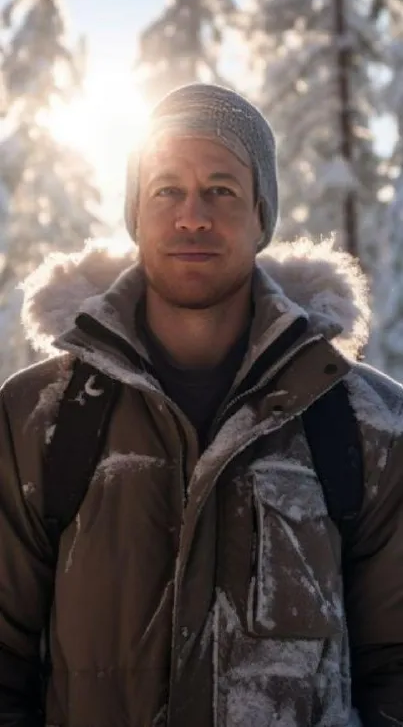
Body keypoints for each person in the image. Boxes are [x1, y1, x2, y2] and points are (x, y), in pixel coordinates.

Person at [0, 82, 402, 727]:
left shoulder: (366, 423)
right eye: (166, 190)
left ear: (260, 216)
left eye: (221, 189)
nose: (193, 215)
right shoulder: (36, 420)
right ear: (136, 214)